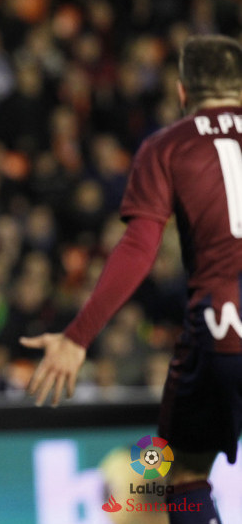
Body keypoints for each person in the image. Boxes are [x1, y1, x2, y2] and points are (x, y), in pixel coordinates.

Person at [22, 34, 242, 524]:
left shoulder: (167, 146)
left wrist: (78, 338)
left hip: (223, 325)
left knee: (183, 477)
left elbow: (140, 248)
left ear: (184, 93)